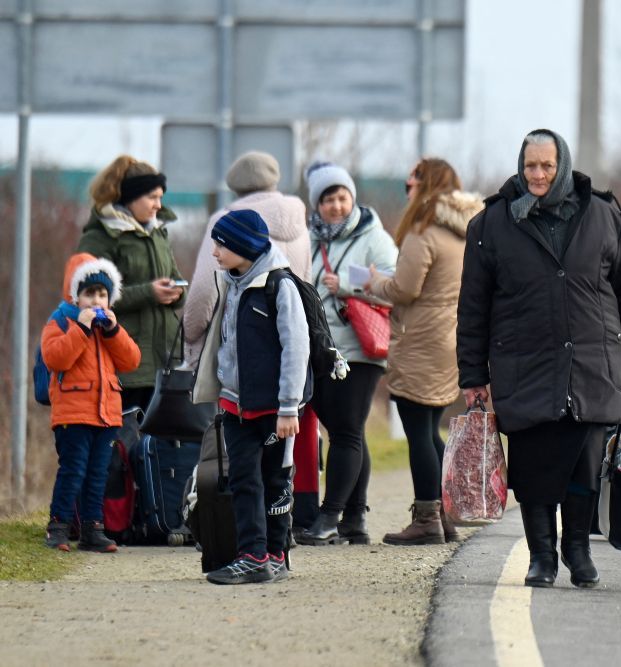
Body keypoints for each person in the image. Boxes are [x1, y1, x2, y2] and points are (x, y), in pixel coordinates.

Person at [457, 129, 621, 588]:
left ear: (562, 165)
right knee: (533, 470)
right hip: (525, 366)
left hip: (592, 366)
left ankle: (578, 551)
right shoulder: (491, 225)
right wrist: (472, 374)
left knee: (584, 467)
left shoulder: (603, 215)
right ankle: (541, 556)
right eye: (530, 166)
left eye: (547, 165)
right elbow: (473, 307)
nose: (538, 175)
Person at [182, 151, 321, 535]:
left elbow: (202, 295)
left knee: (248, 470)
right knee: (278, 470)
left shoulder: (228, 223)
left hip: (248, 378)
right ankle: (271, 544)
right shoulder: (299, 222)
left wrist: (192, 340)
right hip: (281, 374)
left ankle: (260, 547)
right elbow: (307, 288)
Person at [365, 158, 483, 545]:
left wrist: (374, 282)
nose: (407, 189)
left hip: (421, 338)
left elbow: (405, 288)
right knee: (430, 429)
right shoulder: (464, 231)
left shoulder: (424, 231)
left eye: (410, 183)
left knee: (418, 432)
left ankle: (427, 518)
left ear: (425, 185)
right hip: (450, 337)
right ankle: (444, 514)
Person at [191, 209, 311, 584]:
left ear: (243, 246)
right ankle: (253, 556)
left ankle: (275, 554)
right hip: (235, 407)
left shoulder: (279, 286)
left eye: (221, 245)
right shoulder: (231, 282)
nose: (214, 252)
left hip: (276, 410)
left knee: (276, 482)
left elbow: (296, 348)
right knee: (244, 480)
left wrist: (289, 407)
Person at [299, 162, 398, 546]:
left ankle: (329, 516)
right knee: (349, 431)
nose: (336, 206)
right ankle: (354, 519)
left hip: (359, 347)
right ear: (317, 204)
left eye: (342, 197)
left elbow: (395, 284)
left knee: (344, 432)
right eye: (328, 200)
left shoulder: (374, 236)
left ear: (352, 198)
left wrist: (347, 284)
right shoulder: (308, 239)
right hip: (321, 349)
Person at [41, 253, 141, 552]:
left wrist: (114, 332)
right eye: (89, 294)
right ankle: (58, 527)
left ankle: (92, 529)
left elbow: (132, 360)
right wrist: (81, 329)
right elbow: (56, 358)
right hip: (73, 415)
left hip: (107, 416)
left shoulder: (109, 328)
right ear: (76, 296)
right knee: (73, 471)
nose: (96, 301)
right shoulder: (61, 321)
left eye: (102, 294)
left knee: (99, 474)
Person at [76, 155, 185, 413]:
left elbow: (175, 277)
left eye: (161, 197)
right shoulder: (100, 237)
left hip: (166, 361)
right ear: (131, 197)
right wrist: (149, 293)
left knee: (161, 437)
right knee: (126, 435)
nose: (158, 205)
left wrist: (177, 292)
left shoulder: (159, 233)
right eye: (152, 197)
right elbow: (88, 298)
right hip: (124, 362)